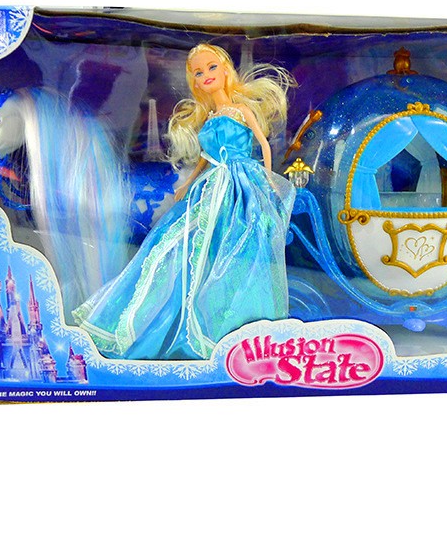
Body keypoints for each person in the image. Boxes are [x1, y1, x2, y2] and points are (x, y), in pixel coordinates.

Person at [72, 44, 296, 360]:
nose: (206, 76)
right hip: (211, 184)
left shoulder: (241, 111)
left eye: (212, 67)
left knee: (241, 241)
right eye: (199, 72)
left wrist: (269, 180)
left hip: (242, 181)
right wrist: (188, 183)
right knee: (183, 243)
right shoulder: (210, 118)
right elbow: (205, 157)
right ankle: (179, 316)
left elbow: (263, 144)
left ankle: (242, 321)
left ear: (226, 70)